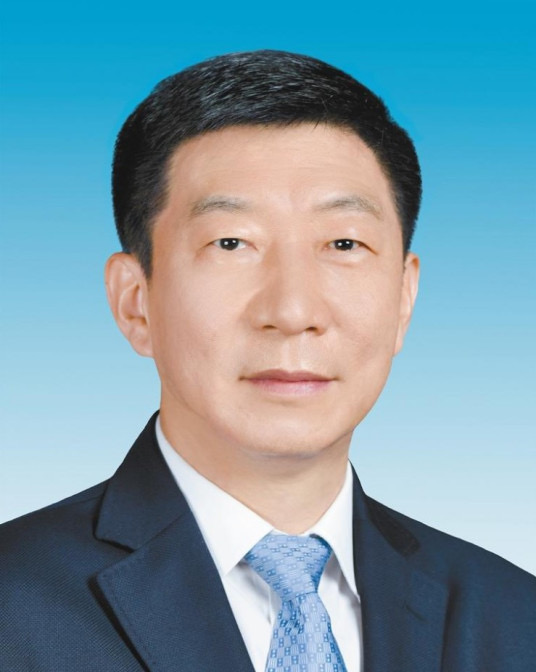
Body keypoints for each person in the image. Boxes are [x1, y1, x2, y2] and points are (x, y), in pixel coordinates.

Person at [0, 50, 534, 672]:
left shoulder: (513, 617)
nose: (293, 310)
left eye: (344, 243)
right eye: (231, 242)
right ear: (134, 302)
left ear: (404, 299)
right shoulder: (15, 603)